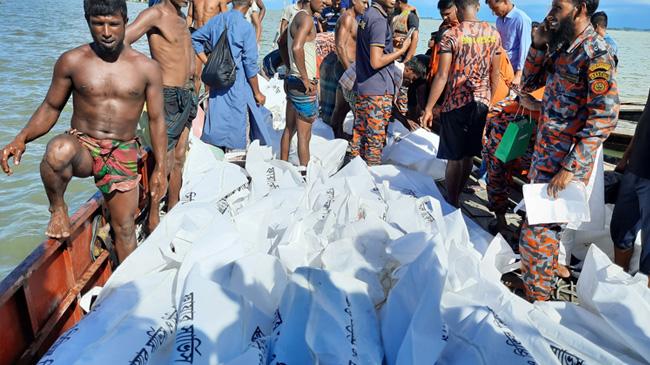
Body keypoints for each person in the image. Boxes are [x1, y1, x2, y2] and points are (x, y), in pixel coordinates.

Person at [0, 0, 167, 263]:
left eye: (113, 23)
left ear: (125, 20)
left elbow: (157, 120)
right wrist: (21, 137)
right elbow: (51, 107)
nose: (107, 32)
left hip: (122, 149)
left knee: (124, 230)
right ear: (87, 20)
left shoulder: (146, 68)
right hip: (84, 148)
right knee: (57, 151)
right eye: (98, 24)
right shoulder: (72, 61)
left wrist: (160, 167)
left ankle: (126, 290)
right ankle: (58, 208)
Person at [516, 0, 619, 302]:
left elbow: (604, 119)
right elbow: (529, 83)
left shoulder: (597, 54)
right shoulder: (562, 48)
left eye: (558, 6)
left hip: (564, 163)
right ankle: (540, 290)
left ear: (580, 8)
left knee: (538, 232)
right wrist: (537, 45)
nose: (552, 12)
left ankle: (537, 300)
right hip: (545, 153)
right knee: (542, 230)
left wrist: (570, 168)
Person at [420, 0, 502, 208]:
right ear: (477, 7)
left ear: (457, 7)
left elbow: (442, 75)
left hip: (456, 102)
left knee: (454, 158)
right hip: (481, 102)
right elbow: (495, 73)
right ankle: (458, 197)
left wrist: (429, 108)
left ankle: (451, 200)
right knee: (468, 155)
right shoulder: (493, 33)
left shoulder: (451, 35)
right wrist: (490, 101)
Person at [125, 0, 196, 218]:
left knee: (180, 156)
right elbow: (123, 40)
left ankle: (173, 208)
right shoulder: (154, 14)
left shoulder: (182, 18)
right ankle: (153, 218)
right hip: (168, 95)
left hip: (188, 93)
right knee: (164, 161)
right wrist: (146, 72)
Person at [191, 0, 267, 150]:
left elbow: (194, 39)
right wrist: (257, 93)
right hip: (236, 81)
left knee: (216, 116)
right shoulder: (246, 27)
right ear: (250, 2)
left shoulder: (217, 20)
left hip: (217, 80)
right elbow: (250, 66)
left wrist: (209, 62)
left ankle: (213, 152)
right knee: (236, 123)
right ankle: (234, 155)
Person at [352, 0, 412, 166]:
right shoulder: (378, 20)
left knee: (359, 138)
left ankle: (355, 174)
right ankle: (370, 184)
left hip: (365, 87)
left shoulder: (367, 15)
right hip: (377, 91)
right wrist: (401, 50)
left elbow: (372, 48)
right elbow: (376, 61)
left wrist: (390, 45)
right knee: (374, 143)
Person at [278, 0, 324, 170]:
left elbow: (281, 43)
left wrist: (290, 67)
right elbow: (297, 48)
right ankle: (305, 176)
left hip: (292, 81)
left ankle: (282, 166)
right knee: (304, 135)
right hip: (304, 84)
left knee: (289, 129)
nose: (326, 2)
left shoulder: (294, 18)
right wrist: (305, 78)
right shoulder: (307, 20)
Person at [611, 89, 650, 286]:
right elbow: (645, 117)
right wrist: (626, 155)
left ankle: (644, 299)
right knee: (621, 228)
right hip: (636, 165)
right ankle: (620, 280)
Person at [328, 0, 368, 138]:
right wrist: (349, 71)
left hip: (350, 67)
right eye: (363, 2)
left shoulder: (356, 19)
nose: (366, 5)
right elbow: (339, 46)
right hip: (346, 67)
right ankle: (341, 135)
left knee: (343, 106)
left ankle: (337, 134)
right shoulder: (347, 18)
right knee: (355, 107)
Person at [485, 0, 532, 86]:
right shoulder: (499, 20)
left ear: (505, 1)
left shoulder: (521, 18)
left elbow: (525, 47)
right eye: (492, 10)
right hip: (503, 70)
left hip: (515, 72)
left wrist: (519, 74)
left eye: (495, 8)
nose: (494, 13)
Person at [187, 0, 228, 92]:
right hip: (196, 36)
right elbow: (190, 16)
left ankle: (208, 104)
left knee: (210, 74)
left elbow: (226, 19)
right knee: (195, 74)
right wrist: (184, 35)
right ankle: (195, 103)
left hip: (212, 38)